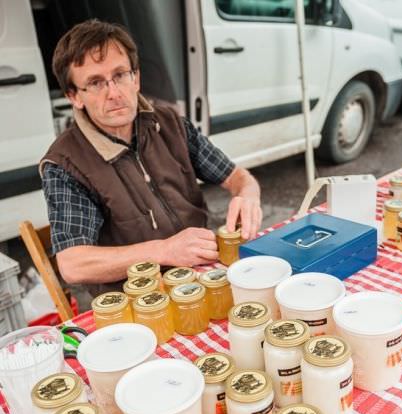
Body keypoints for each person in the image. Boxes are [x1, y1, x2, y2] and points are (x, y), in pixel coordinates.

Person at [40, 19, 262, 296]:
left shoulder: (169, 123)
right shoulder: (65, 163)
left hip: (202, 275)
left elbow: (237, 177)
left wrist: (248, 195)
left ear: (136, 78)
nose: (114, 93)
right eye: (96, 83)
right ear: (75, 97)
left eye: (120, 75)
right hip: (135, 299)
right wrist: (165, 251)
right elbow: (74, 264)